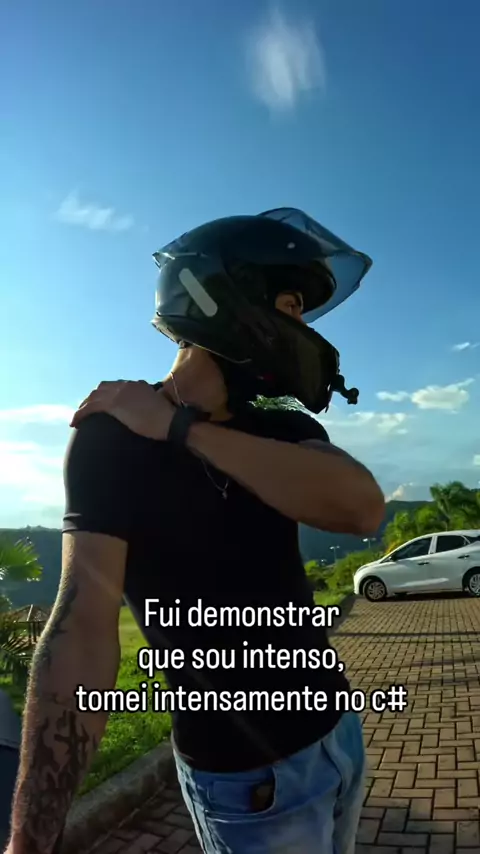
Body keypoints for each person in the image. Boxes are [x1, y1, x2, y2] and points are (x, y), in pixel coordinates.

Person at [5, 208, 384, 854]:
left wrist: (180, 429)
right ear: (223, 299)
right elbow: (83, 631)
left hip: (336, 735)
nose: (300, 329)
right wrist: (29, 841)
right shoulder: (112, 438)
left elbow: (363, 508)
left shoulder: (280, 425)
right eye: (291, 306)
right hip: (249, 783)